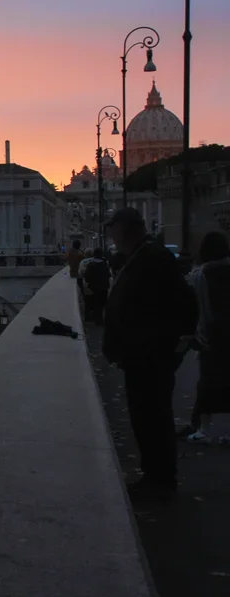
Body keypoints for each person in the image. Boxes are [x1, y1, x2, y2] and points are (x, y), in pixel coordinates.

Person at [102, 207, 198, 501]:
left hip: (149, 355)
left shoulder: (152, 258)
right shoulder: (140, 257)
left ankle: (160, 479)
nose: (110, 235)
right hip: (140, 355)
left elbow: (183, 303)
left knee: (152, 416)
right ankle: (154, 475)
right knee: (145, 416)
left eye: (113, 228)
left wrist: (170, 346)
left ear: (125, 229)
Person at [183, 231, 230, 444]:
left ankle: (203, 428)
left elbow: (194, 307)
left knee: (207, 383)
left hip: (212, 336)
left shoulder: (201, 275)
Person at [82, 247, 111, 326]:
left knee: (95, 304)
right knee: (102, 304)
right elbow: (108, 275)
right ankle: (100, 319)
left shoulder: (91, 264)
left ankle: (97, 319)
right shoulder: (105, 263)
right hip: (104, 287)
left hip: (93, 288)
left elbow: (87, 276)